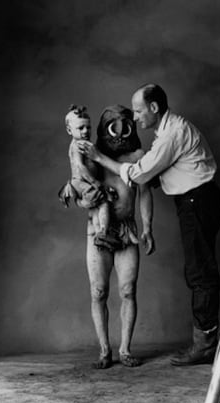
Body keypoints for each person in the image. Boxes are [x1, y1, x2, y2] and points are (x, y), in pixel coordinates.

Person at [77, 84, 220, 366]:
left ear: (154, 108)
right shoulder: (165, 134)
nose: (134, 118)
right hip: (194, 202)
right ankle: (204, 341)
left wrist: (100, 158)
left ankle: (205, 346)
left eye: (137, 110)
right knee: (197, 270)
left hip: (197, 202)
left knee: (200, 271)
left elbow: (141, 175)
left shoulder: (172, 134)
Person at [69, 104, 155, 368]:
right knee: (98, 291)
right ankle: (105, 350)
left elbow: (145, 193)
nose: (119, 133)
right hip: (97, 229)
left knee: (128, 290)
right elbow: (79, 183)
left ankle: (125, 349)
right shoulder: (89, 150)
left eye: (124, 126)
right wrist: (79, 194)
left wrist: (148, 226)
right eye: (113, 126)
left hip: (127, 229)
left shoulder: (139, 155)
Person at [59, 105, 122, 250]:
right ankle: (103, 233)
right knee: (104, 202)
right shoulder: (77, 146)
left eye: (88, 127)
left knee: (102, 201)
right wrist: (95, 183)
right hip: (82, 182)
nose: (85, 131)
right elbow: (81, 167)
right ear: (70, 130)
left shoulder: (85, 144)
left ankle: (102, 230)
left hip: (85, 182)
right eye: (80, 128)